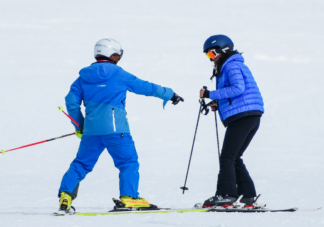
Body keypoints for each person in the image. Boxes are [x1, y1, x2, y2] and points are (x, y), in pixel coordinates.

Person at [56, 38, 184, 215]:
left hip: (92, 131)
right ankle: (129, 197)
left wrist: (80, 125)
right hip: (117, 130)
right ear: (113, 55)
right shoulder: (118, 73)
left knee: (81, 164)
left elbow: (71, 102)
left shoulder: (82, 78)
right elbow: (145, 87)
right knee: (128, 162)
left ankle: (66, 196)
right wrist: (169, 94)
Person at [199, 35, 264, 208]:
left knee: (227, 157)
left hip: (243, 116)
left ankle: (226, 195)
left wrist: (210, 94)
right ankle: (248, 196)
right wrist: (217, 102)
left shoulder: (232, 65)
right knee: (234, 157)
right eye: (208, 56)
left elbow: (238, 88)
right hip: (249, 116)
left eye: (212, 54)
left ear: (223, 50)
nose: (211, 59)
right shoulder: (230, 65)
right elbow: (234, 93)